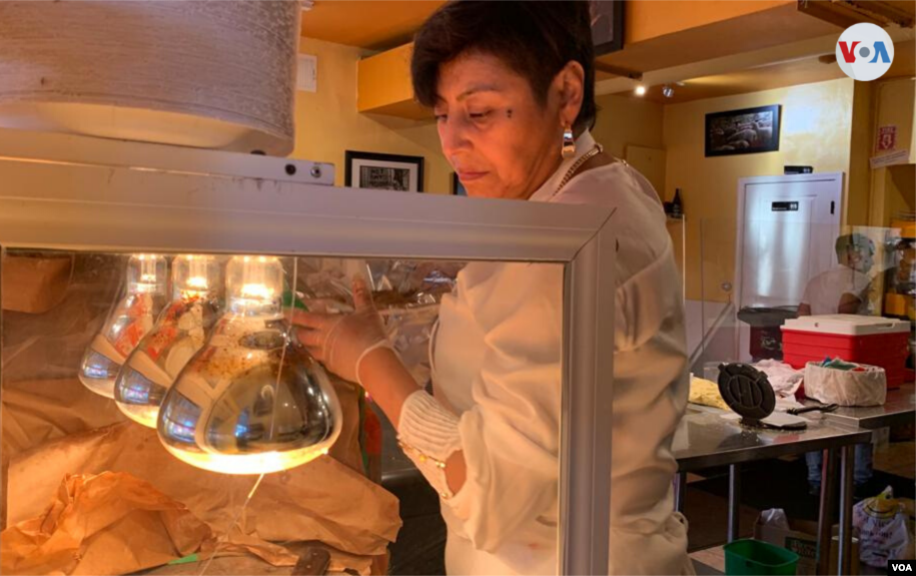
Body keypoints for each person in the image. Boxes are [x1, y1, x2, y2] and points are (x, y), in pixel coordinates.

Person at [291, 1, 693, 574]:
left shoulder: (569, 243)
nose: (452, 143)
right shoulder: (599, 189)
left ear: (566, 94)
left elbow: (487, 489)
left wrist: (370, 361)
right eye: (441, 114)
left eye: (478, 112)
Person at [799, 233, 876, 496]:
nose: (870, 260)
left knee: (815, 416)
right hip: (847, 358)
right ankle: (858, 480)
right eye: (867, 253)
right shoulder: (859, 279)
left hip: (817, 357)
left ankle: (814, 479)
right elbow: (845, 306)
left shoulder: (816, 280)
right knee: (857, 417)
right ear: (852, 254)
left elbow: (801, 315)